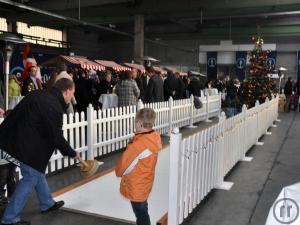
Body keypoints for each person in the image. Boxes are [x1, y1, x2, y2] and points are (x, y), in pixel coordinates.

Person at [0, 78, 82, 225]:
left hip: (12, 137)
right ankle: (9, 219)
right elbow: (56, 136)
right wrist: (72, 153)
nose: (72, 97)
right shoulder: (53, 106)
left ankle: (47, 203)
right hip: (24, 144)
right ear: (67, 91)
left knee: (36, 172)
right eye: (73, 93)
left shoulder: (39, 94)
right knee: (30, 177)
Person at [115, 108, 162, 225]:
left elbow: (122, 168)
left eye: (135, 121)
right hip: (145, 182)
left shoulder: (137, 145)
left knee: (141, 215)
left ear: (140, 124)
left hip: (136, 186)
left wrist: (119, 172)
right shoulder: (153, 138)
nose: (134, 123)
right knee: (143, 212)